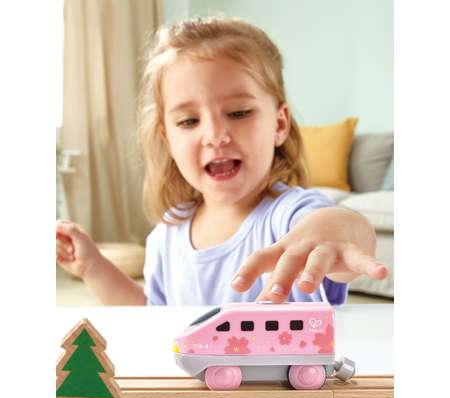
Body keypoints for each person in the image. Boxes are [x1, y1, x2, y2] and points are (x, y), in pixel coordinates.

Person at [56, 16, 389, 306]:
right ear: (167, 140)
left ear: (279, 124)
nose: (215, 135)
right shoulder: (166, 234)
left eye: (239, 113)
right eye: (189, 121)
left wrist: (334, 233)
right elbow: (154, 317)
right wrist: (93, 267)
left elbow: (342, 227)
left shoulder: (289, 217)